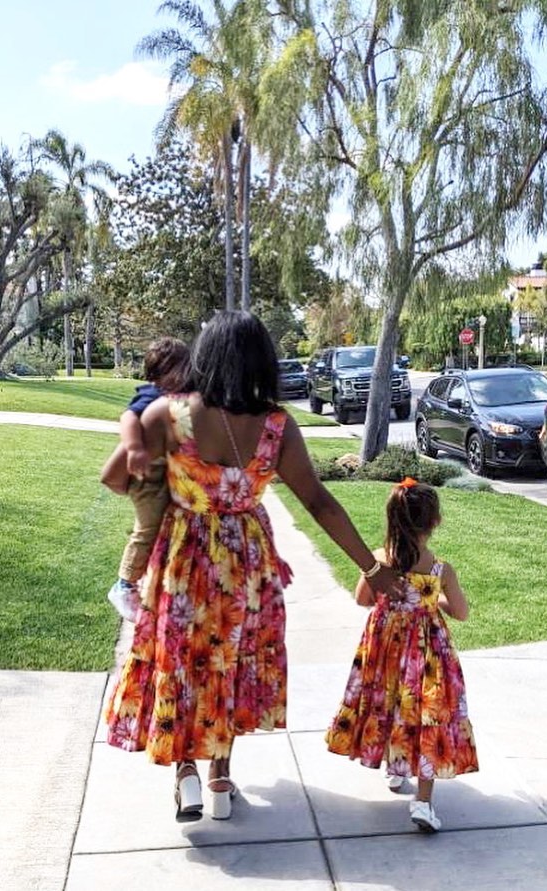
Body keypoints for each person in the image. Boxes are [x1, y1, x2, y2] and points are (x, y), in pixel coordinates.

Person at [105, 310, 405, 823]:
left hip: (185, 560)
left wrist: (156, 472)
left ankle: (187, 776)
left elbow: (113, 477)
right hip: (247, 564)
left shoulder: (170, 416)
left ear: (205, 357)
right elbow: (319, 502)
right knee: (233, 662)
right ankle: (220, 776)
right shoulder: (276, 426)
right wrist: (371, 569)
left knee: (184, 663)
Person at [325, 477, 478, 832]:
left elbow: (363, 599)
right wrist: (430, 599)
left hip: (385, 651)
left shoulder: (378, 561)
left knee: (389, 704)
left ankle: (395, 771)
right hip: (427, 655)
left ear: (392, 518)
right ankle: (422, 803)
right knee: (427, 714)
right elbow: (461, 612)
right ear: (435, 522)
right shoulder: (441, 570)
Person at [103, 337, 190, 621]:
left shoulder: (180, 395)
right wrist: (135, 448)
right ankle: (124, 585)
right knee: (148, 527)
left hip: (163, 474)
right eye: (179, 369)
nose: (186, 375)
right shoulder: (153, 395)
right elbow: (128, 417)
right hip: (147, 476)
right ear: (159, 374)